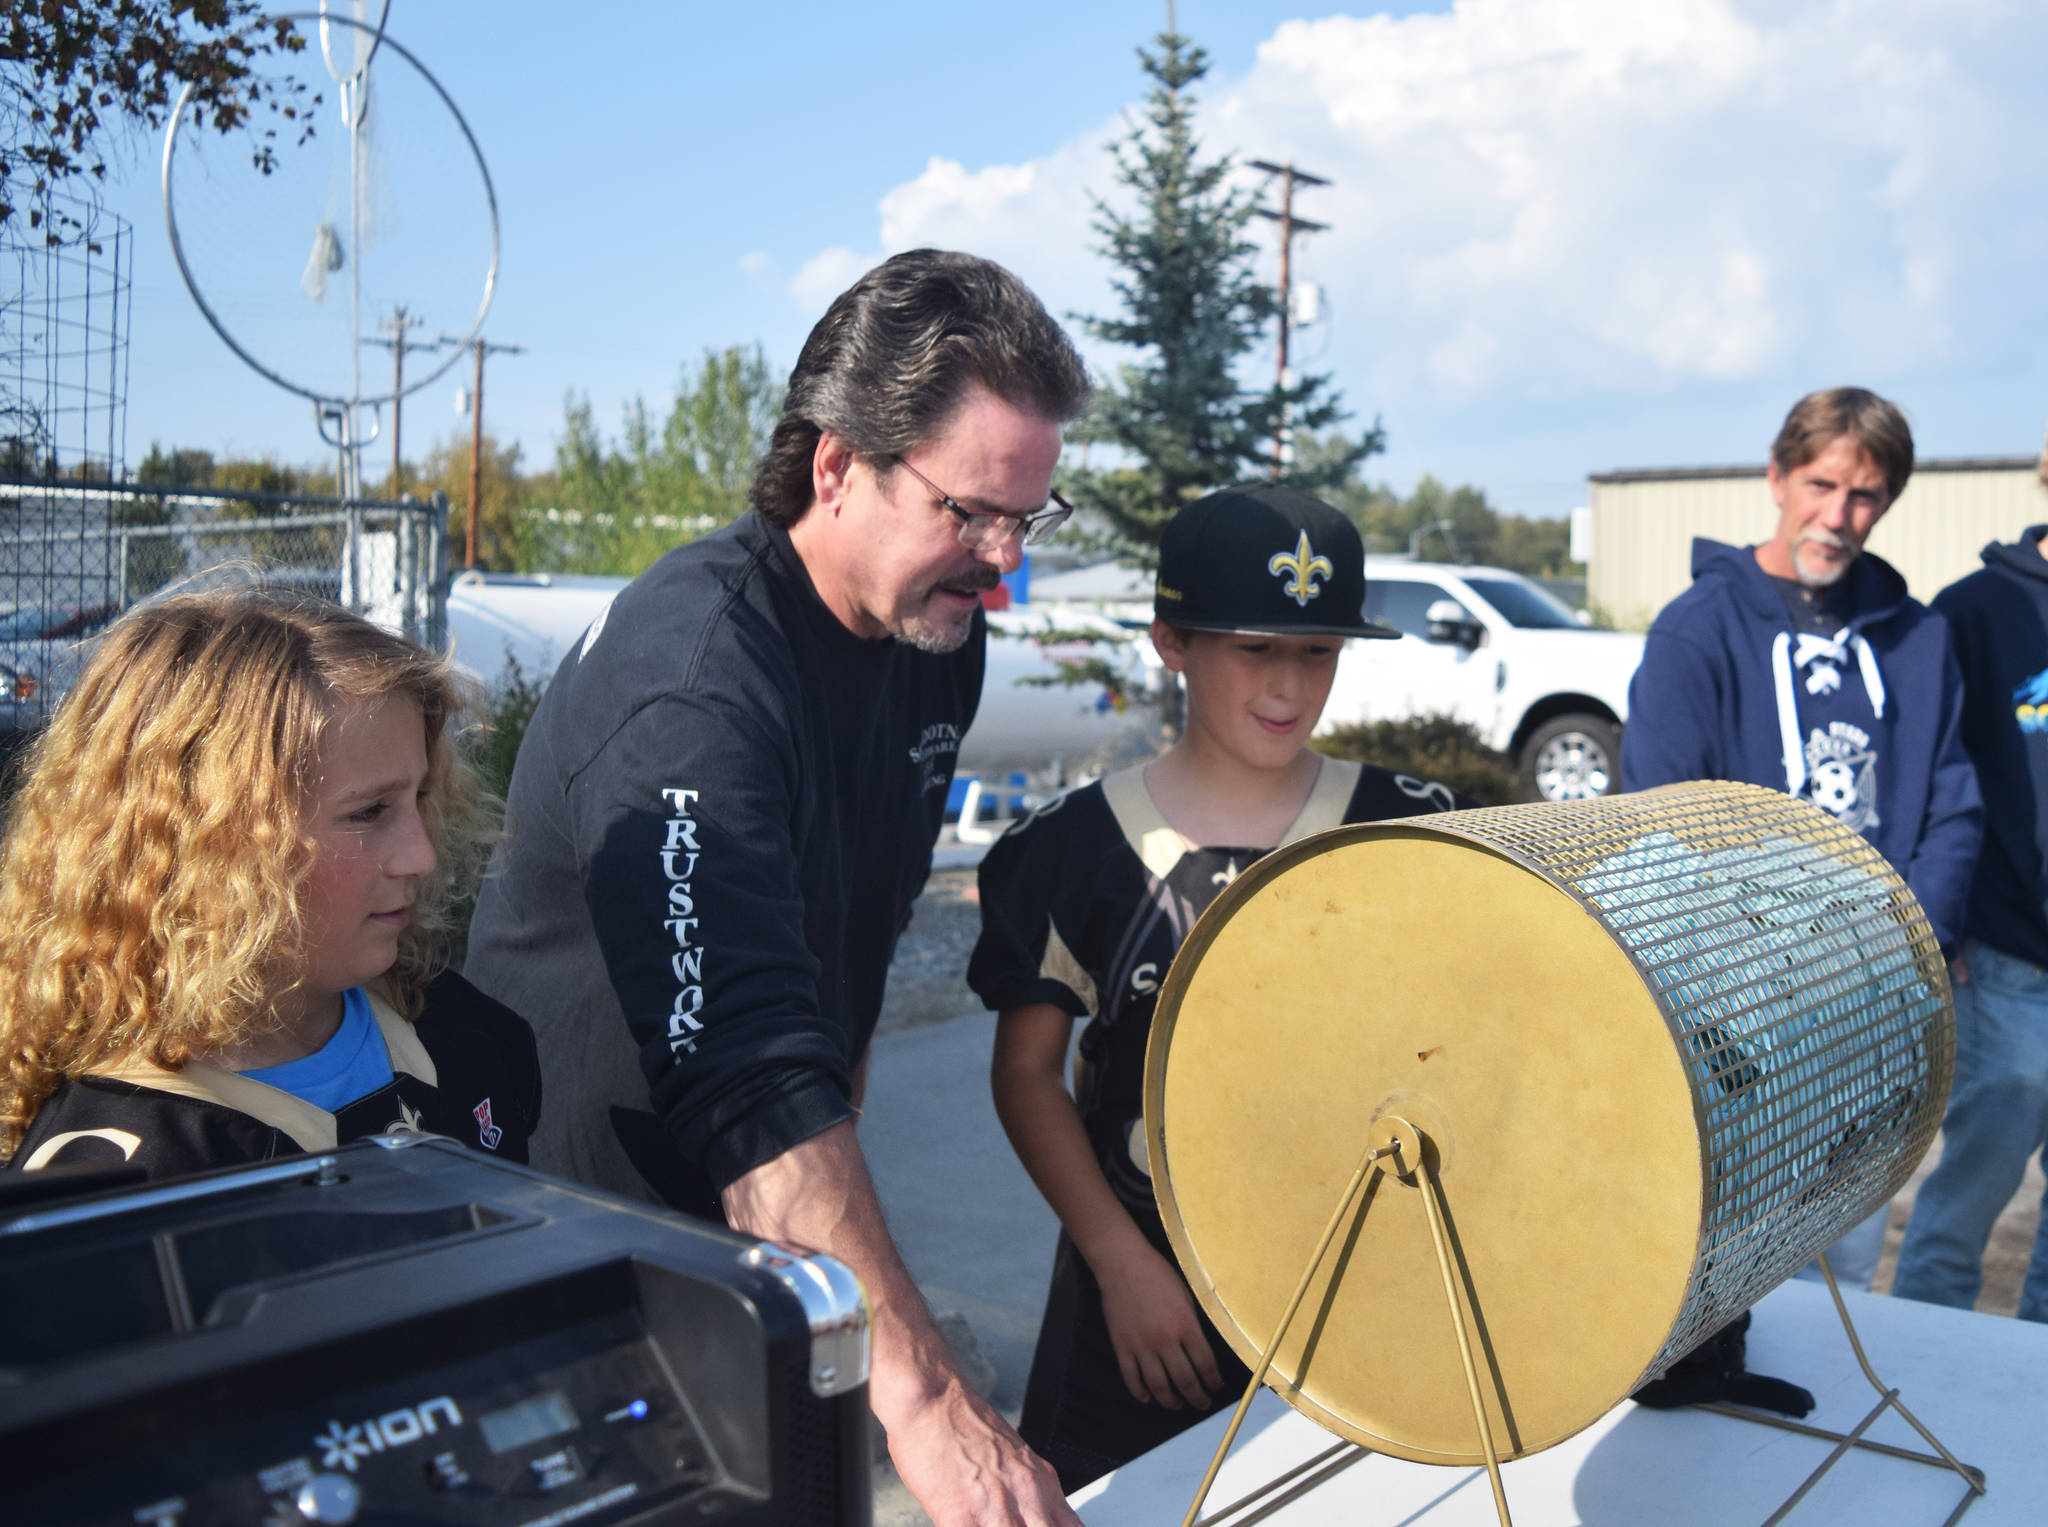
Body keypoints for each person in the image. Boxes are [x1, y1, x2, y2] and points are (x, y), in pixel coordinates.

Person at [462, 249, 1091, 1526]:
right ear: (835, 465)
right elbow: (746, 1081)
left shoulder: (933, 642)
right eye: (969, 512)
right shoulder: (693, 683)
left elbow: (846, 927)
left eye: (1029, 517)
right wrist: (926, 1404)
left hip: (758, 1245)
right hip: (576, 1238)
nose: (1001, 561)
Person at [969, 484, 1475, 1492]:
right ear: (1171, 642)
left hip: (1355, 1299)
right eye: (1254, 648)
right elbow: (1027, 1076)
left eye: (1316, 652)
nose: (1288, 686)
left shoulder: (1407, 832)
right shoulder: (1073, 850)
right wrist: (1120, 1265)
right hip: (1143, 1310)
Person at [1621, 386, 1983, 1288]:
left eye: (1864, 496)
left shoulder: (1919, 638)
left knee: (1847, 1252)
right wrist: (1737, 975)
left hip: (1873, 993)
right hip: (1739, 1006)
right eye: (1820, 485)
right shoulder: (1696, 630)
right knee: (1721, 1251)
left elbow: (1953, 802)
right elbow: (1658, 821)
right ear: (1776, 476)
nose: (1838, 515)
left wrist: (1913, 947)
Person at [0, 589, 537, 1181]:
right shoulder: (127, 1173)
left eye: (422, 798)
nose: (422, 855)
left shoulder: (459, 1033)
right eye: (369, 812)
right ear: (212, 843)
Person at [1891, 522, 2048, 1321]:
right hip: (2009, 963)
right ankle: (1922, 1383)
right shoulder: (1976, 612)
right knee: (1962, 1215)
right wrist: (1943, 925)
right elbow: (1934, 780)